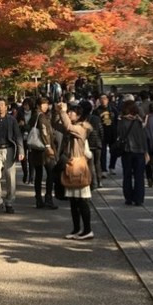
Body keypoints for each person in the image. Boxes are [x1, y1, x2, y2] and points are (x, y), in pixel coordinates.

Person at [58, 102, 96, 240]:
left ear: (79, 115)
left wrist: (62, 112)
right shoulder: (77, 127)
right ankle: (76, 229)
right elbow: (62, 125)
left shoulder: (81, 128)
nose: (69, 114)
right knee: (73, 201)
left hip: (78, 166)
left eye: (71, 113)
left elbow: (68, 127)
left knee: (82, 200)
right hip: (72, 165)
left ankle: (87, 229)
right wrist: (60, 112)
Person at [27, 98, 58, 209]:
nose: (46, 106)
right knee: (50, 172)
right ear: (39, 105)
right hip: (44, 150)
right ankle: (48, 198)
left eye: (47, 104)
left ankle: (39, 199)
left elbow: (28, 127)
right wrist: (48, 146)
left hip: (36, 149)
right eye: (43, 104)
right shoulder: (41, 117)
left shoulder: (34, 116)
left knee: (38, 175)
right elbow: (44, 132)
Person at [116, 100, 149, 205]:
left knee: (127, 175)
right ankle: (139, 199)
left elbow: (119, 134)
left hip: (127, 151)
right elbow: (144, 137)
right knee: (139, 176)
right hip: (139, 151)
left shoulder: (122, 121)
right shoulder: (139, 121)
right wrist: (146, 152)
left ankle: (128, 197)